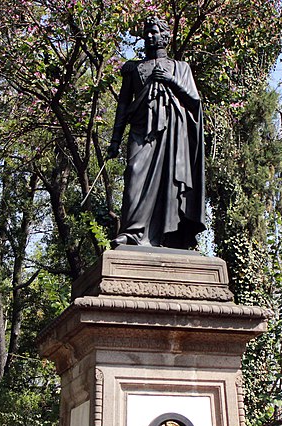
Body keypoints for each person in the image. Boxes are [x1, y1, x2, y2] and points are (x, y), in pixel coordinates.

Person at [108, 16, 205, 250]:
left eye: (154, 32)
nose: (150, 36)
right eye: (147, 33)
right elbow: (123, 105)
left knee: (169, 183)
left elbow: (195, 102)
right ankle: (132, 232)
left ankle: (168, 236)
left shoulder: (180, 68)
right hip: (142, 130)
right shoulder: (133, 69)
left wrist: (171, 80)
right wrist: (115, 139)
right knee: (134, 174)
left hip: (173, 133)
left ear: (165, 35)